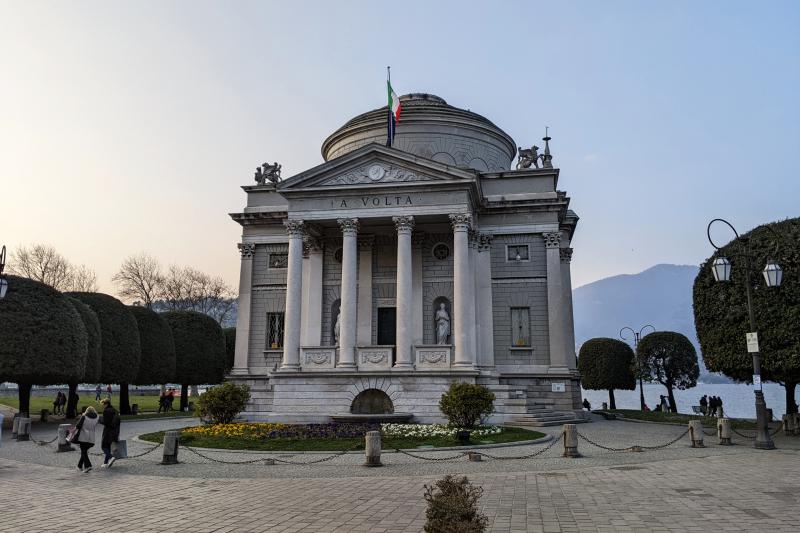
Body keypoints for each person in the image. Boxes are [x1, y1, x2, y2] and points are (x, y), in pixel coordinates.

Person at [75, 406, 100, 473]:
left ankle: (88, 466)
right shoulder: (97, 417)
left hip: (83, 437)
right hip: (91, 438)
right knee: (84, 451)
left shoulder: (84, 417)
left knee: (83, 451)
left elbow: (78, 426)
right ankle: (79, 466)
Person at [98, 398, 120, 468]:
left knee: (103, 446)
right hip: (115, 431)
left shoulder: (106, 411)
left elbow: (106, 423)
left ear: (106, 404)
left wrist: (99, 421)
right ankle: (105, 463)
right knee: (108, 447)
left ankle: (111, 457)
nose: (102, 406)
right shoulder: (115, 410)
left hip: (108, 431)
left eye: (103, 404)